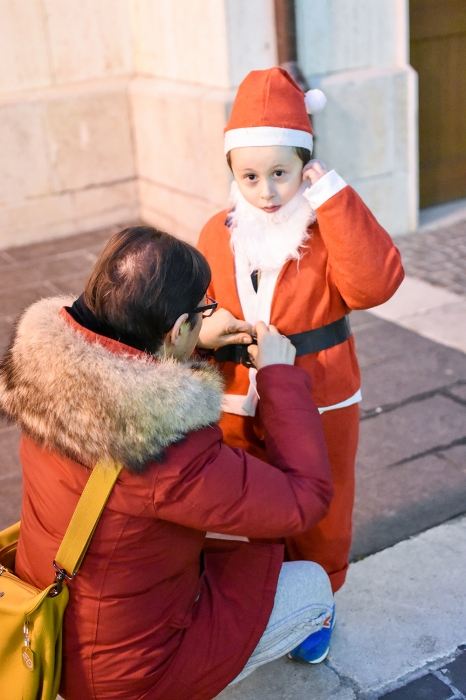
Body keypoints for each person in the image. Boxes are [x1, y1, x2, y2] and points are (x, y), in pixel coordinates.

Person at [0, 226, 335, 700]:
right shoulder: (169, 455)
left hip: (54, 633)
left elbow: (122, 360)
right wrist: (281, 377)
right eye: (202, 312)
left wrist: (194, 344)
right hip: (127, 679)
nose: (207, 316)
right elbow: (305, 498)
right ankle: (313, 635)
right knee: (312, 585)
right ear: (177, 328)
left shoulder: (46, 384)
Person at [197, 67, 404, 608]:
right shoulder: (214, 233)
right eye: (250, 177)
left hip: (320, 395)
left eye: (281, 174)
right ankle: (252, 602)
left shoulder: (326, 228)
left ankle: (315, 604)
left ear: (305, 167)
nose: (266, 192)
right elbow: (195, 308)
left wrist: (332, 197)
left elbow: (375, 284)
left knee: (322, 507)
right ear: (232, 173)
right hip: (236, 394)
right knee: (244, 501)